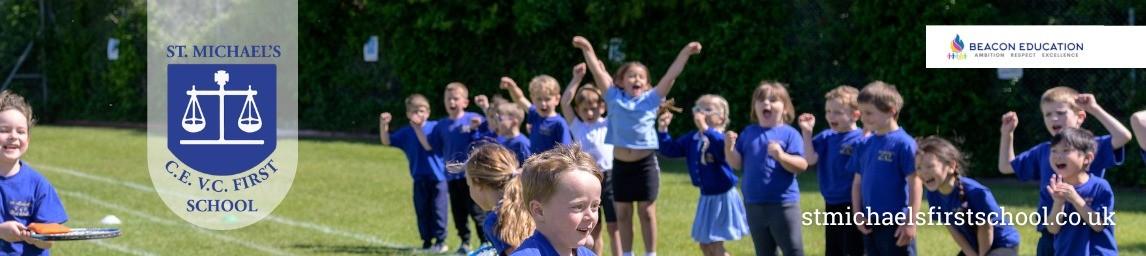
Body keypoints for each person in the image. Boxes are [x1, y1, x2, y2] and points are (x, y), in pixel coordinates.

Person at [573, 35, 701, 256]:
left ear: (647, 83)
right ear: (621, 81)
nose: (636, 79)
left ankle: (650, 253)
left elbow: (671, 76)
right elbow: (597, 71)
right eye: (631, 75)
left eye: (641, 76)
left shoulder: (651, 99)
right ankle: (627, 253)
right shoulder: (613, 97)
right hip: (621, 166)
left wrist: (686, 52)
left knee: (647, 211)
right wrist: (587, 48)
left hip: (645, 164)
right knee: (622, 213)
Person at [998, 86, 1129, 256]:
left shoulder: (1089, 146)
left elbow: (1123, 136)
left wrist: (1094, 109)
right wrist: (1007, 134)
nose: (1054, 118)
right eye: (1048, 114)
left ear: (1080, 117)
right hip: (1051, 233)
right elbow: (1006, 166)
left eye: (1060, 113)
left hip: (1087, 232)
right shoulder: (1044, 151)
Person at [658, 94, 748, 256]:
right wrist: (663, 129)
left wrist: (706, 129)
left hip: (722, 197)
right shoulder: (692, 138)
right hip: (706, 197)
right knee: (705, 245)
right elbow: (670, 150)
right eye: (698, 109)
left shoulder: (721, 138)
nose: (701, 113)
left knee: (715, 243)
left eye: (708, 109)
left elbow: (722, 150)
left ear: (721, 118)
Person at [726, 82, 808, 256]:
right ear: (754, 107)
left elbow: (802, 165)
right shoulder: (748, 132)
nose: (766, 104)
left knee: (793, 250)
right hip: (753, 203)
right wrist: (729, 147)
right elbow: (737, 164)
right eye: (761, 100)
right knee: (764, 252)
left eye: (773, 100)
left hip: (783, 204)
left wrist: (781, 156)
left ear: (785, 108)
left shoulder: (789, 133)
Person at [916, 136, 1020, 256]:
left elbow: (986, 229)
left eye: (930, 166)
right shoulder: (933, 196)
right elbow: (952, 229)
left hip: (1002, 244)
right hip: (974, 245)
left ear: (951, 166)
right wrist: (970, 253)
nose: (923, 172)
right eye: (918, 167)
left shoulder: (976, 192)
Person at [797, 85, 865, 256]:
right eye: (828, 111)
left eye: (837, 112)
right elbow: (810, 159)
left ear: (856, 115)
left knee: (853, 248)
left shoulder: (862, 138)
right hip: (832, 202)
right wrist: (806, 133)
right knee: (834, 248)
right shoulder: (826, 137)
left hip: (854, 203)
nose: (830, 116)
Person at [0, 90, 68, 255]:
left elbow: (49, 240)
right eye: (4, 130)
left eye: (21, 131)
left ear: (28, 140)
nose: (13, 136)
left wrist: (37, 238)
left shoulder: (39, 185)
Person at [380, 94, 449, 252]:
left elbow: (428, 147)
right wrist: (384, 125)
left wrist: (418, 128)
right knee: (422, 211)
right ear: (407, 114)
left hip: (438, 178)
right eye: (414, 111)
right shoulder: (406, 132)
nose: (418, 114)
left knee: (439, 211)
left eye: (422, 110)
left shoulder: (434, 128)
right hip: (419, 178)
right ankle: (426, 241)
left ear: (428, 112)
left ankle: (441, 241)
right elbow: (387, 141)